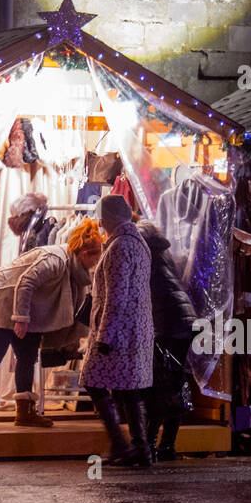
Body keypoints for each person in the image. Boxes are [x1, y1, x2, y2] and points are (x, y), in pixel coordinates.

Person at [0, 219, 102, 428]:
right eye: (95, 257)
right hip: (3, 297)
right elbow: (26, 282)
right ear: (84, 253)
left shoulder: (73, 267)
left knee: (27, 356)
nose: (95, 263)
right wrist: (21, 318)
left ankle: (25, 412)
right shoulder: (56, 259)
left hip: (22, 305)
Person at [81, 195, 154, 467]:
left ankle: (123, 445)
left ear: (108, 218)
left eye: (101, 217)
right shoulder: (137, 243)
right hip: (134, 329)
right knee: (128, 389)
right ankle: (139, 448)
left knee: (93, 379)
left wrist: (105, 336)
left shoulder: (120, 247)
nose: (99, 223)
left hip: (120, 332)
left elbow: (116, 295)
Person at [139, 218, 197, 461]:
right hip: (184, 321)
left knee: (160, 384)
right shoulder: (162, 253)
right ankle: (167, 445)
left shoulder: (146, 256)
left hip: (168, 325)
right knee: (177, 380)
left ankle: (152, 443)